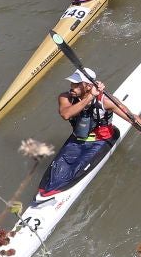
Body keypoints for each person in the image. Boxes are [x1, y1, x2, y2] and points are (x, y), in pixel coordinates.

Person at [39, 69, 121, 197]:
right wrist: (90, 96)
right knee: (56, 171)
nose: (72, 87)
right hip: (78, 139)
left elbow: (133, 118)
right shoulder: (65, 97)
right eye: (72, 83)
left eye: (77, 84)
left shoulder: (106, 101)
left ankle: (62, 189)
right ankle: (48, 191)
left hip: (100, 141)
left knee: (76, 169)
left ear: (88, 86)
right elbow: (66, 114)